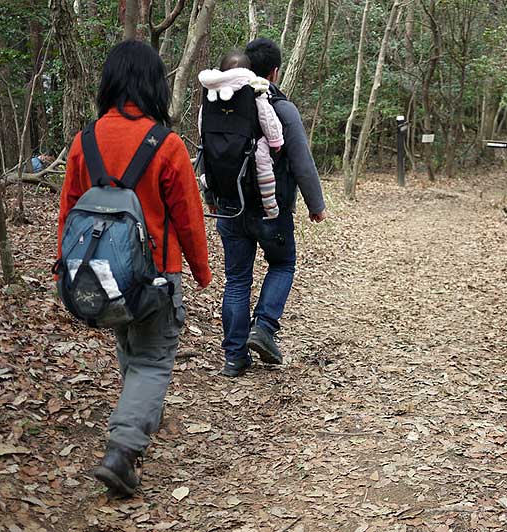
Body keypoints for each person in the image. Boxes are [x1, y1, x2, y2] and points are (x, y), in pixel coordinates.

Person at [57, 40, 211, 497]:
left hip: (96, 275)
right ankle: (123, 450)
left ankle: (140, 415)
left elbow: (69, 212)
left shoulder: (84, 141)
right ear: (152, 85)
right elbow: (188, 216)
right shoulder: (167, 145)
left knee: (130, 346)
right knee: (151, 359)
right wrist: (201, 271)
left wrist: (62, 270)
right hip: (156, 275)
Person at [208, 37, 326, 377]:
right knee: (283, 264)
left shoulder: (219, 103)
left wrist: (212, 198)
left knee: (236, 280)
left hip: (230, 207)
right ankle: (264, 327)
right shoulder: (281, 108)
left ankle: (234, 358)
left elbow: (210, 156)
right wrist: (315, 205)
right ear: (274, 72)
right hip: (271, 209)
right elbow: (302, 161)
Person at [198, 50, 284, 219]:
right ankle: (270, 207)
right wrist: (275, 141)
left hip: (215, 152)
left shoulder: (209, 95)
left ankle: (210, 192)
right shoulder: (255, 92)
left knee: (207, 158)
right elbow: (268, 120)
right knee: (263, 161)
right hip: (246, 154)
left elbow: (203, 125)